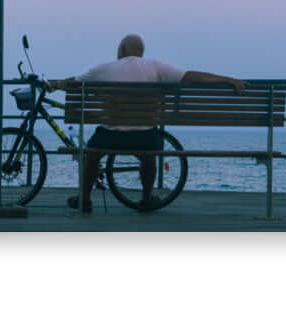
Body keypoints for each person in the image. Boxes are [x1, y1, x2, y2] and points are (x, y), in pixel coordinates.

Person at [48, 34, 247, 213]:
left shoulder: (103, 68)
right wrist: (227, 79)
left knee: (91, 156)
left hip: (110, 137)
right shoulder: (155, 66)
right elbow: (191, 76)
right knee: (149, 155)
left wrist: (54, 84)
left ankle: (85, 200)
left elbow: (72, 83)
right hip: (145, 138)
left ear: (122, 50)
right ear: (140, 52)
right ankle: (145, 199)